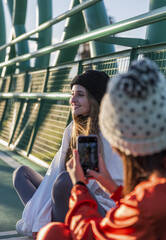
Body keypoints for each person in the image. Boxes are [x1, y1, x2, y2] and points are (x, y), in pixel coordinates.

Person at [37, 58, 166, 240]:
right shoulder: (151, 194)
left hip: (100, 212)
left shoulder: (147, 204)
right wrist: (114, 188)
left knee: (53, 232)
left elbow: (90, 234)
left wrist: (79, 186)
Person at [13, 70, 123, 239]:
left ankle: (57, 230)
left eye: (80, 95)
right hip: (73, 195)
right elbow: (53, 175)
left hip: (103, 208)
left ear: (95, 98)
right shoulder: (72, 129)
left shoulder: (108, 132)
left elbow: (88, 184)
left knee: (64, 181)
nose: (72, 100)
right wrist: (37, 218)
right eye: (72, 94)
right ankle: (47, 224)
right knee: (22, 174)